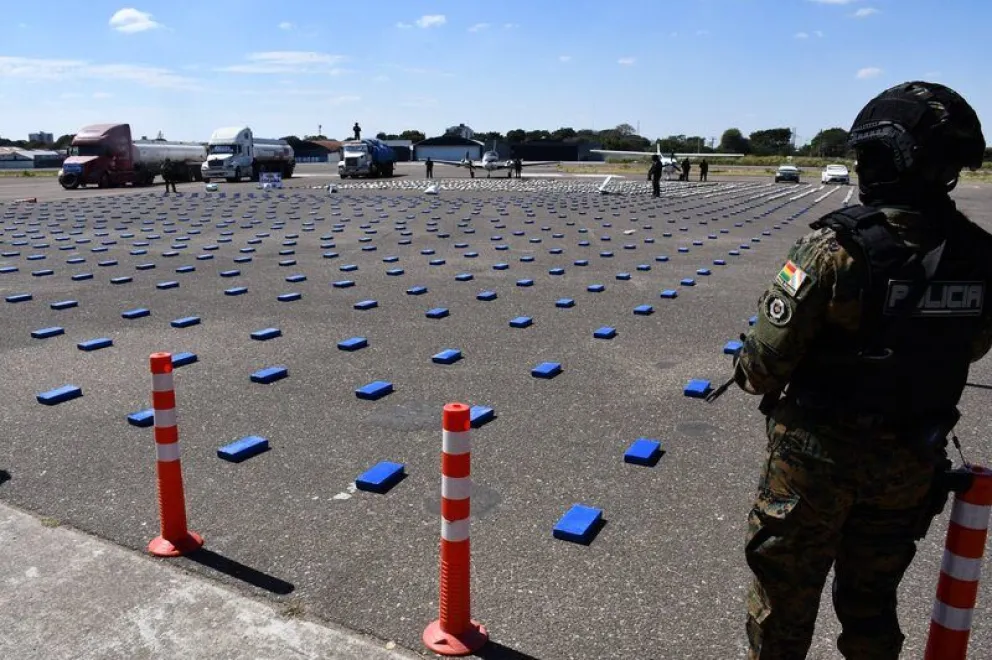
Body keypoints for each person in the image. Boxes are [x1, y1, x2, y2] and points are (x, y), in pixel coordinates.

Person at [731, 81, 991, 659]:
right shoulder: (981, 256)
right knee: (873, 605)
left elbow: (763, 366)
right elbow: (968, 348)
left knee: (783, 605)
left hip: (814, 465)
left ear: (883, 161)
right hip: (909, 463)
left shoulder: (835, 249)